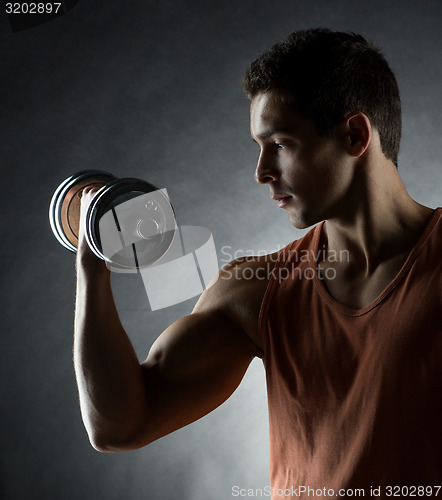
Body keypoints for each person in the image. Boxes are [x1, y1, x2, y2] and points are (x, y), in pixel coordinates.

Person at [74, 28, 442, 498]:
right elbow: (119, 427)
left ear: (354, 135)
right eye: (259, 146)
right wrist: (93, 266)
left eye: (281, 143)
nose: (262, 171)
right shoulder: (255, 290)